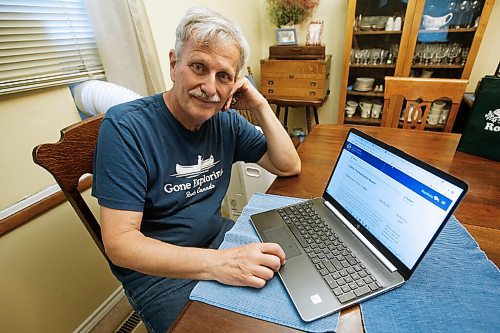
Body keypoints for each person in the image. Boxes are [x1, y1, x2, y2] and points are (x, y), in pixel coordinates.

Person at [92, 6, 301, 333]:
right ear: (174, 64)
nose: (209, 87)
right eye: (199, 67)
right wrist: (220, 265)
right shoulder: (125, 127)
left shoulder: (226, 121)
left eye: (224, 76)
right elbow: (120, 245)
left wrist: (260, 104)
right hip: (160, 275)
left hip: (219, 240)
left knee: (295, 289)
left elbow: (288, 165)